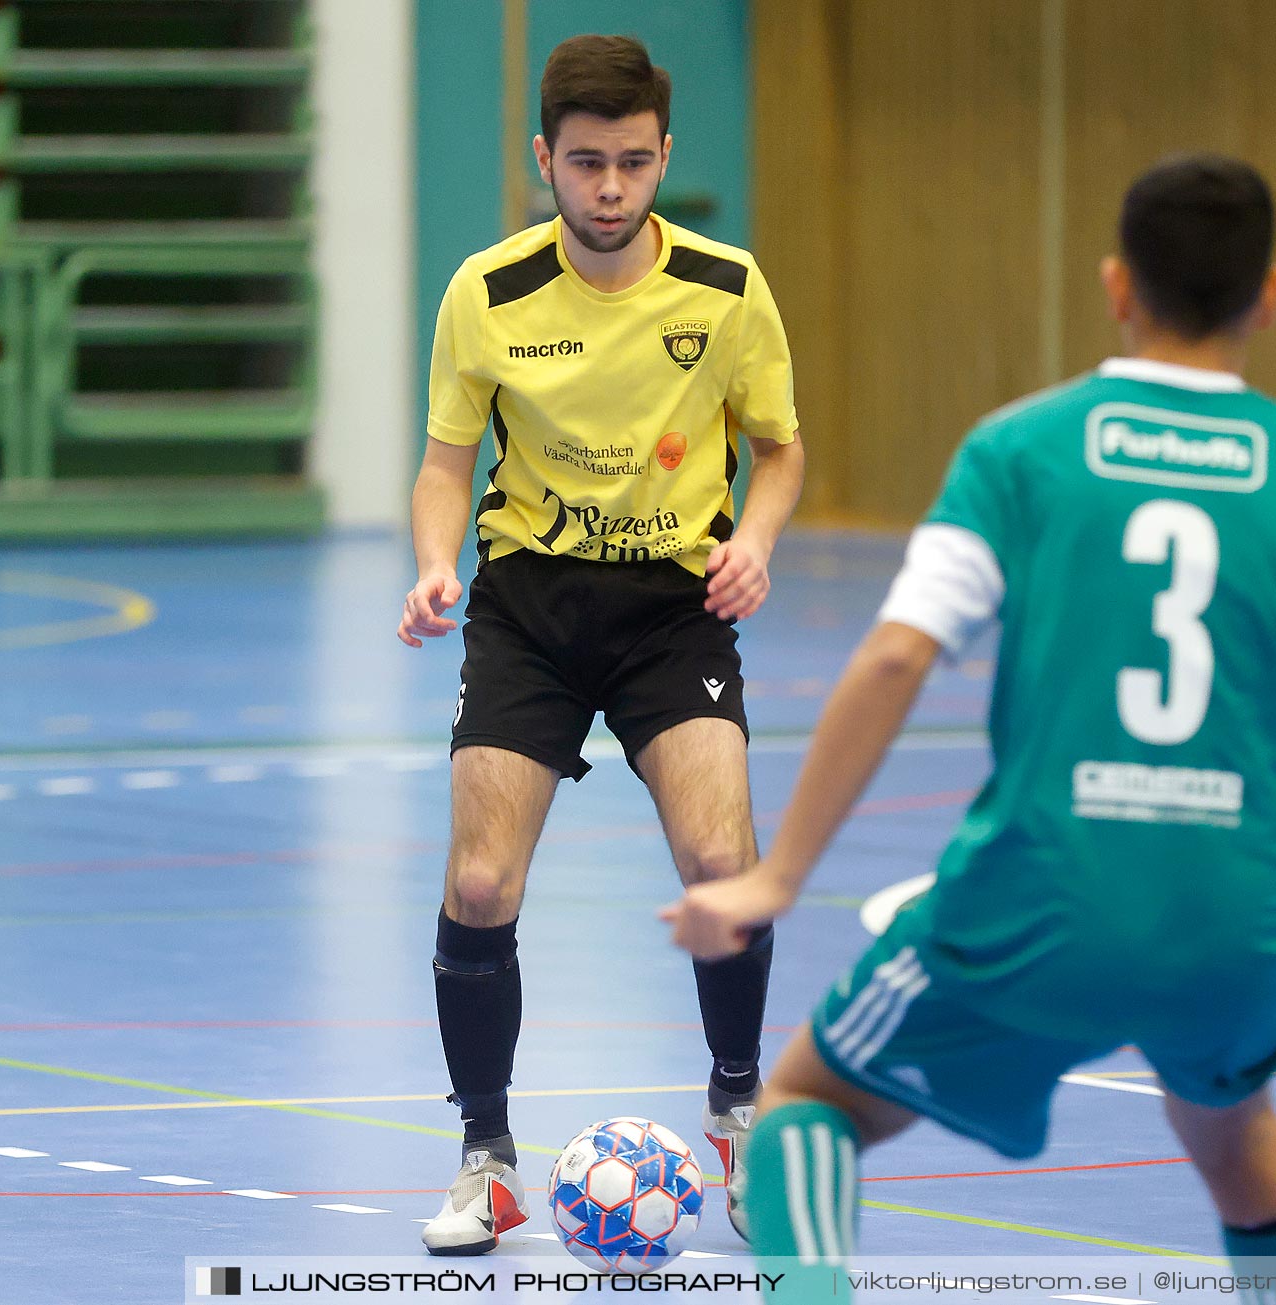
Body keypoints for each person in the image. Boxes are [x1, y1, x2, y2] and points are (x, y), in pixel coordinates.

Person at [664, 154, 1276, 1300]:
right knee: (1237, 1140)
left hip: (1043, 896)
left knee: (805, 1107)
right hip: (1235, 912)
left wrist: (778, 875)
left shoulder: (1022, 451)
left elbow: (896, 654)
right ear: (1271, 294)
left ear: (1116, 285)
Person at [401, 34, 803, 1255]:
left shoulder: (728, 291)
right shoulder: (486, 292)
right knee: (479, 884)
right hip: (527, 605)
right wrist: (434, 564)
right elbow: (444, 464)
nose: (613, 189)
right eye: (587, 164)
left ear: (665, 154)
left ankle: (738, 1110)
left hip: (676, 608)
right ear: (544, 161)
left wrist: (761, 542)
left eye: (635, 162)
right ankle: (488, 1156)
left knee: (722, 858)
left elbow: (778, 451)